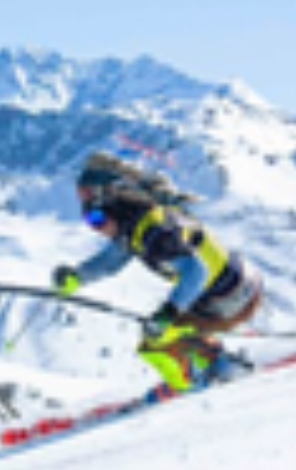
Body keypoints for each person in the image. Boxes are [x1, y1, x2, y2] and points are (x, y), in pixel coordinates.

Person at [52, 152, 264, 402]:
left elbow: (197, 271)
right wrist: (77, 277)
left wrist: (167, 314)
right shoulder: (136, 223)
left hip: (228, 298)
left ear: (114, 204)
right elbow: (109, 262)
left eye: (96, 218)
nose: (96, 228)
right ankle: (218, 365)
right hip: (234, 289)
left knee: (153, 342)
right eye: (89, 220)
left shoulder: (154, 232)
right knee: (170, 330)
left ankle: (189, 387)